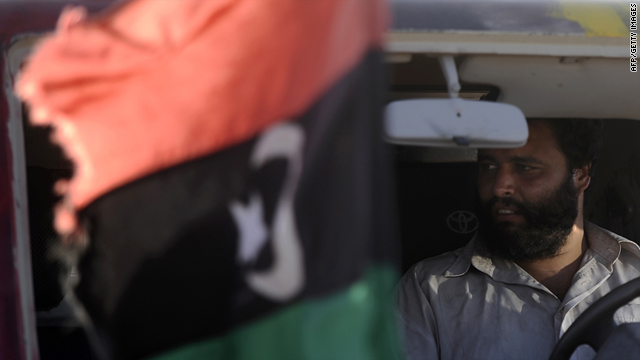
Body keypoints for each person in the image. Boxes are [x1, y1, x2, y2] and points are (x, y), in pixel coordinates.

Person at [397, 119, 640, 360]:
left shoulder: (635, 276)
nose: (499, 187)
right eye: (489, 167)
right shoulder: (427, 290)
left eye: (525, 167)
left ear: (580, 175)